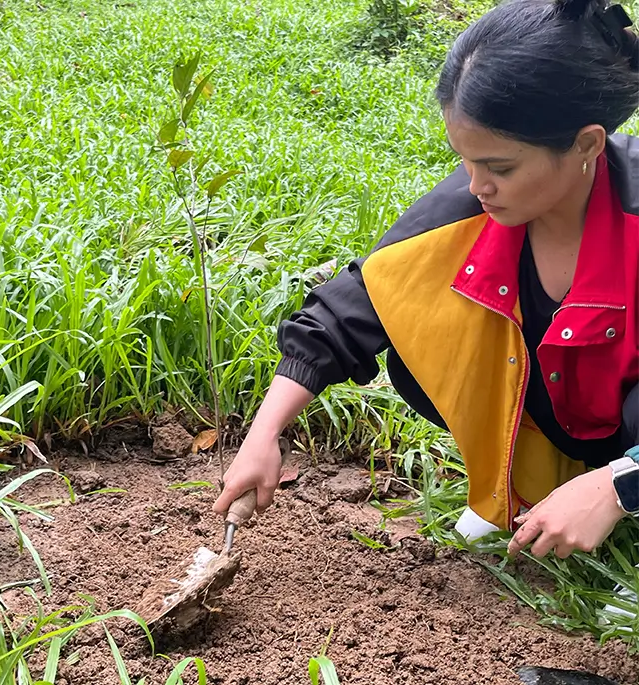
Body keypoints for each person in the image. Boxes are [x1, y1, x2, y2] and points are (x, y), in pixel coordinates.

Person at [213, 0, 639, 563]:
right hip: (563, 423)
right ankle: (528, 487)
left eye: (501, 167)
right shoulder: (470, 207)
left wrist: (618, 485)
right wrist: (264, 433)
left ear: (586, 144)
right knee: (417, 330)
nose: (477, 186)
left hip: (624, 435)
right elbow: (351, 311)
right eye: (466, 160)